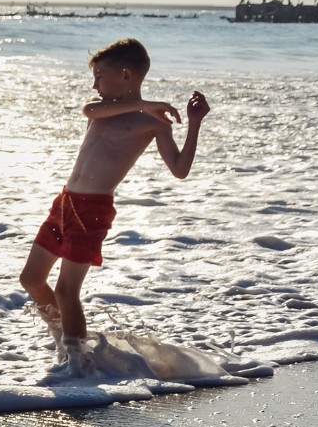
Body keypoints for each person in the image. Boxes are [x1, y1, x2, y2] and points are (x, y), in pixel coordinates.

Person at [19, 37, 209, 375]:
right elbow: (88, 110)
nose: (95, 84)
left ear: (126, 75)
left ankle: (78, 365)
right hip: (65, 203)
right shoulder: (102, 108)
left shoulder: (153, 123)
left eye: (100, 76)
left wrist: (194, 123)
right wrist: (149, 102)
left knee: (66, 290)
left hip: (93, 209)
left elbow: (180, 170)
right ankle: (64, 341)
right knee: (32, 279)